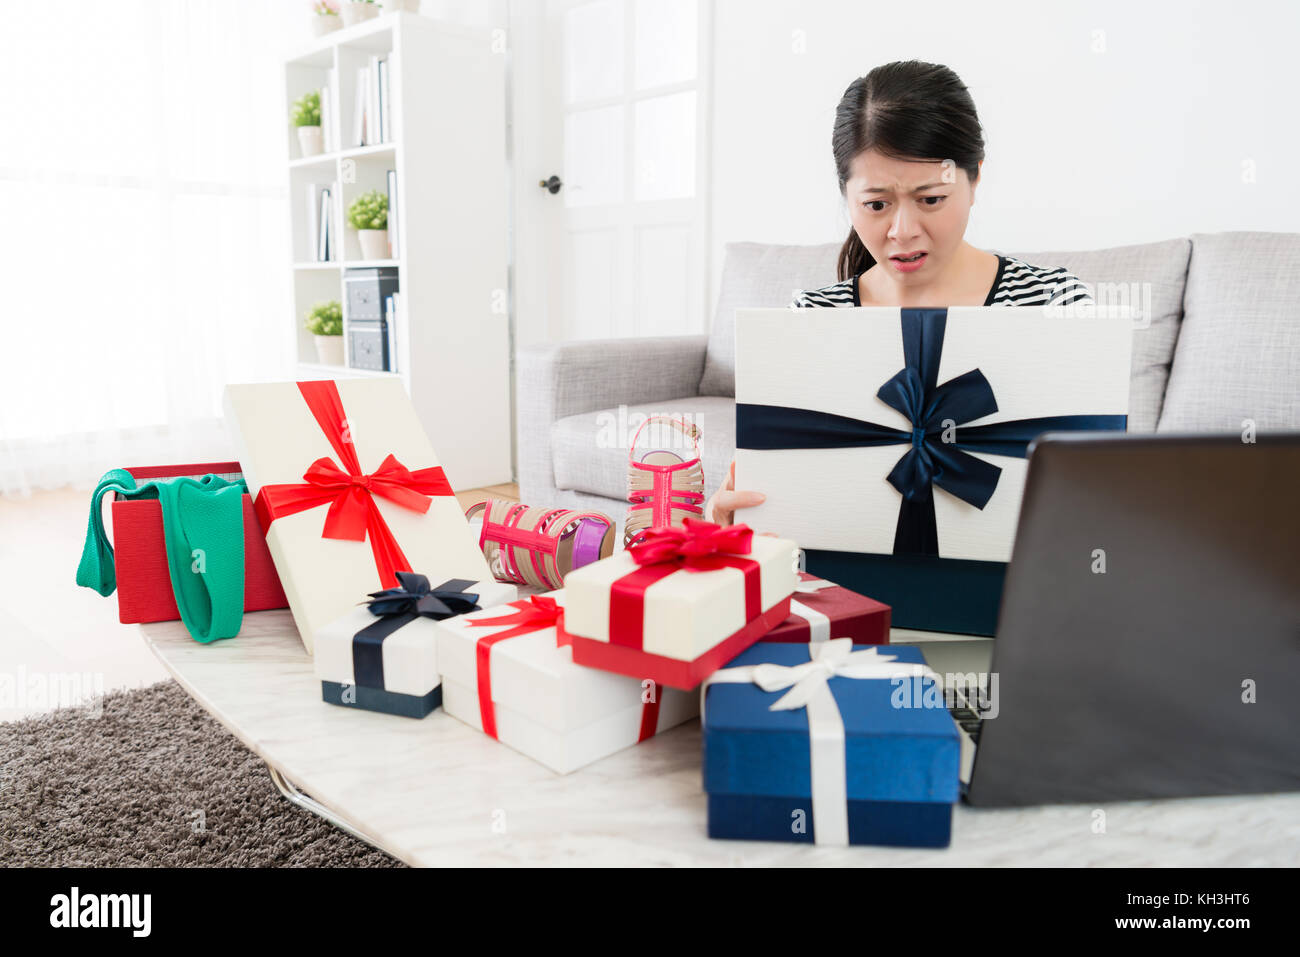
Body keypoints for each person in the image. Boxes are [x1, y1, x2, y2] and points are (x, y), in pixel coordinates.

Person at [705, 59, 1094, 526]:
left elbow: (1094, 492)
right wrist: (724, 520)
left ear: (975, 179)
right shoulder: (810, 318)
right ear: (845, 196)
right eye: (876, 205)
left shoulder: (1057, 305)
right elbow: (777, 497)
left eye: (931, 199)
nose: (903, 231)